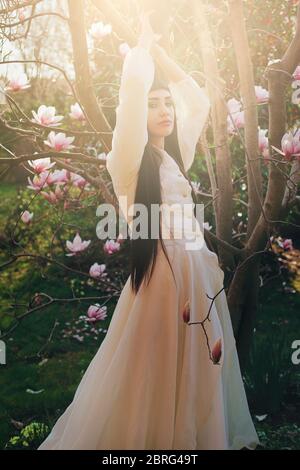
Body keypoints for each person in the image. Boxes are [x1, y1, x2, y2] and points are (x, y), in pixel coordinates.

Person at [38, 12, 260, 450]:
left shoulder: (176, 157)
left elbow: (196, 99)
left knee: (196, 368)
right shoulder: (130, 164)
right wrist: (139, 53)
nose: (164, 111)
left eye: (166, 104)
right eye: (154, 103)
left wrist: (160, 55)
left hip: (196, 279)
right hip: (162, 280)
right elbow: (131, 98)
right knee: (152, 370)